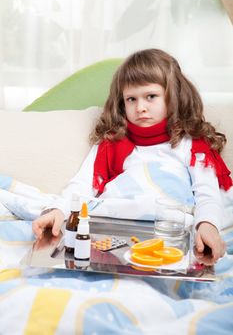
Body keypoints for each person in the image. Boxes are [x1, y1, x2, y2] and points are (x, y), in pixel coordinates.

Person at [32, 48, 232, 266]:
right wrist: (59, 211)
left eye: (151, 97)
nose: (141, 108)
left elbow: (207, 194)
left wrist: (207, 225)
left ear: (172, 95)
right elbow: (81, 185)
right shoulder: (111, 143)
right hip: (117, 233)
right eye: (131, 99)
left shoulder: (191, 143)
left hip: (171, 233)